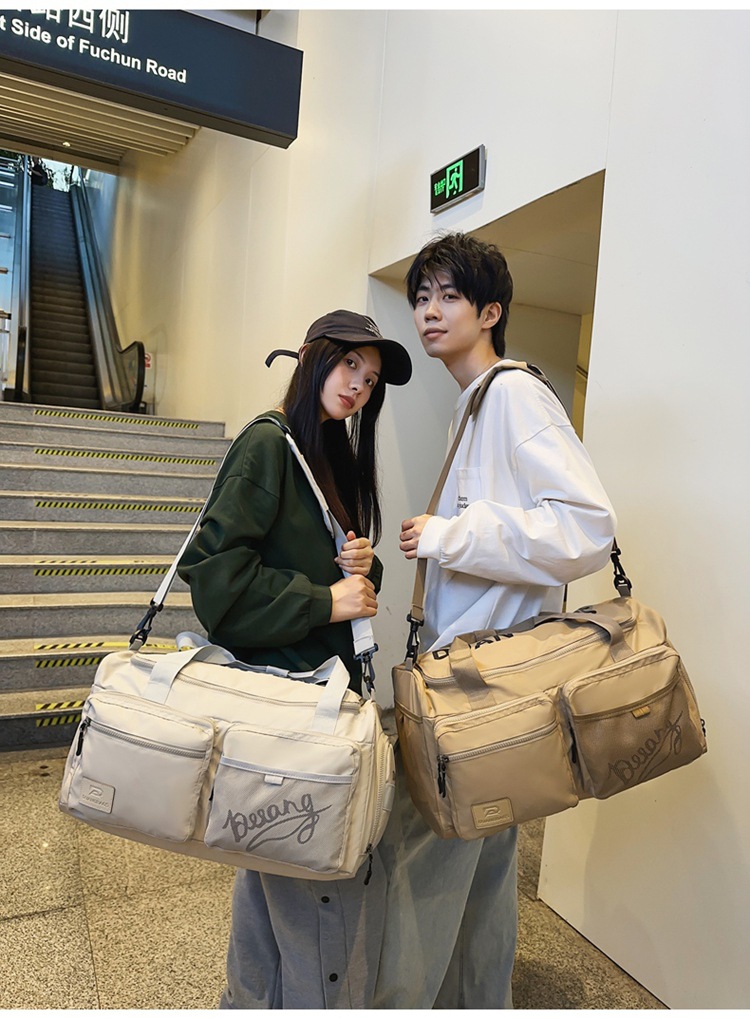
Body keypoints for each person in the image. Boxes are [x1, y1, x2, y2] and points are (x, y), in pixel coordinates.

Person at [373, 232, 616, 1009]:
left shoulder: (511, 395)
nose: (429, 310)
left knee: (421, 865)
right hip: (485, 681)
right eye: (421, 296)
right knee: (481, 865)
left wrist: (452, 535)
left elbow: (587, 526)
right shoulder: (474, 403)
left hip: (482, 685)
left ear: (490, 311)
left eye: (449, 295)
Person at [177, 310, 412, 1009]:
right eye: (350, 365)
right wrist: (325, 600)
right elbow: (217, 585)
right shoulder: (267, 444)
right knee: (319, 901)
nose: (360, 386)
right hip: (286, 711)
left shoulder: (326, 455)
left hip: (313, 703)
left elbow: (325, 579)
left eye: (371, 379)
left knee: (269, 884)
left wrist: (361, 568)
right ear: (311, 356)